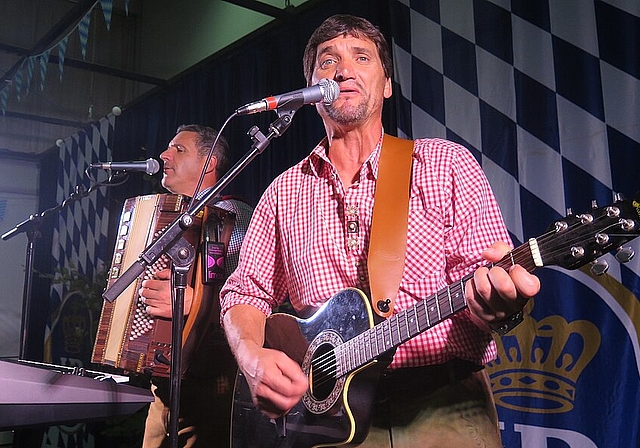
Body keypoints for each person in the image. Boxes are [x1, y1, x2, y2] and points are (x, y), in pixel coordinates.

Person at [219, 14, 540, 448]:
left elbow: (485, 289)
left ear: (387, 84)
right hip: (320, 421)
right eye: (328, 62)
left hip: (439, 407)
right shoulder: (282, 191)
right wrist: (252, 357)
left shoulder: (444, 165)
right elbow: (244, 293)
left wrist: (495, 305)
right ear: (311, 91)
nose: (344, 70)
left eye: (362, 57)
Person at [139, 124, 253, 447]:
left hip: (214, 388)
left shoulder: (237, 216)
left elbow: (254, 304)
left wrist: (193, 304)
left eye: (179, 149)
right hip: (162, 391)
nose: (164, 155)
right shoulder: (165, 218)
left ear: (210, 162)